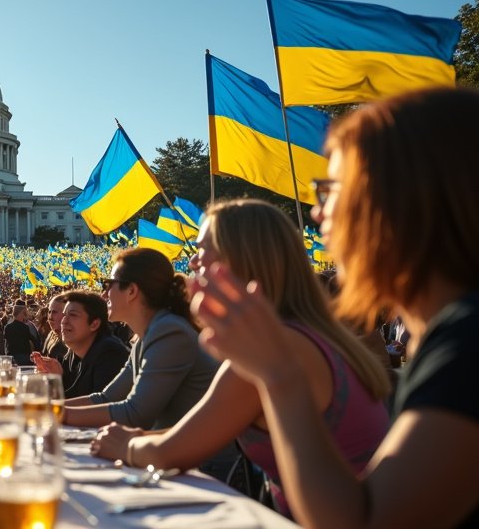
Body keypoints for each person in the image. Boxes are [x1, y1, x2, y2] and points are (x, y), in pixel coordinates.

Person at [185, 88, 479, 528]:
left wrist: (279, 374)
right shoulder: (449, 333)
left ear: (400, 202)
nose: (318, 215)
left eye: (331, 189)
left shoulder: (469, 341)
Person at [94, 199, 392, 517]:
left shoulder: (270, 348)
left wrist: (124, 445)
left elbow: (171, 453)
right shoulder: (308, 333)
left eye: (202, 250)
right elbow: (196, 431)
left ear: (237, 260)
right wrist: (135, 437)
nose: (192, 263)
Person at [60, 248, 219, 431]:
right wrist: (43, 407)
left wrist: (51, 413)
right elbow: (107, 398)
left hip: (200, 459)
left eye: (108, 285)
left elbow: (135, 414)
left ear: (132, 291)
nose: (104, 294)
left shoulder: (170, 331)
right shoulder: (149, 333)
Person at [33, 291, 129, 397]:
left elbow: (97, 407)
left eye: (73, 315)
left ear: (94, 324)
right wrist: (56, 377)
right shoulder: (73, 353)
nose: (64, 321)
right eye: (64, 315)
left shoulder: (111, 354)